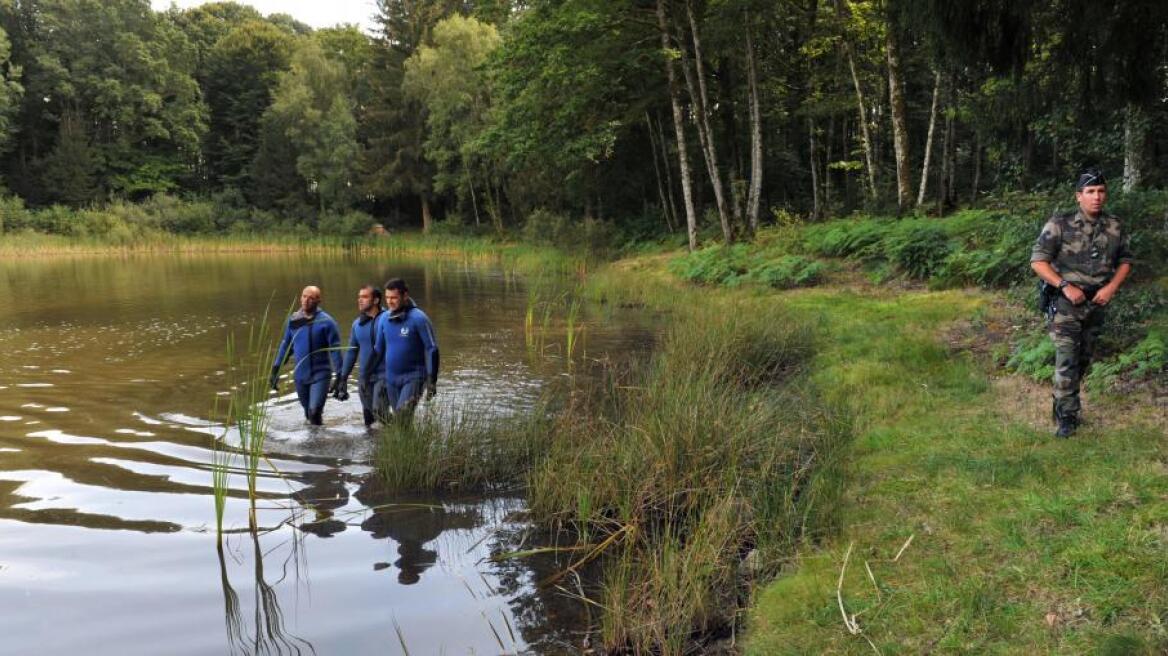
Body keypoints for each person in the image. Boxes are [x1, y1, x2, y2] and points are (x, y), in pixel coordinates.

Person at [1030, 167, 1133, 438]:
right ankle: (1067, 418)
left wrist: (1111, 287)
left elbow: (1125, 261)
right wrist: (1064, 285)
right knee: (1066, 359)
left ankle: (1061, 401)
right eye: (1090, 192)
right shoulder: (1059, 224)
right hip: (1065, 304)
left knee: (1083, 360)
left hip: (1097, 302)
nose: (1096, 197)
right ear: (1079, 196)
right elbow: (1038, 261)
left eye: (1101, 191)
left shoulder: (1114, 225)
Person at [270, 285, 343, 426]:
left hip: (320, 375)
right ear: (300, 297)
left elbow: (335, 349)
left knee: (314, 411)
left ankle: (318, 444)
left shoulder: (327, 322)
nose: (306, 300)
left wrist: (340, 376)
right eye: (304, 296)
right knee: (308, 415)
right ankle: (314, 440)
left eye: (311, 298)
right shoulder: (294, 320)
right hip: (300, 376)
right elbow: (286, 345)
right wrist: (276, 368)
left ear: (318, 301)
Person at [373, 278, 439, 420]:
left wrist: (432, 380)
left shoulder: (419, 318)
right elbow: (378, 350)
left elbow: (431, 349)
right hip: (391, 378)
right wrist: (370, 375)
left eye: (394, 298)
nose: (390, 302)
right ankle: (403, 440)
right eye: (387, 298)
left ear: (405, 296)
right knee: (397, 420)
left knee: (403, 416)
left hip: (414, 377)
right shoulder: (383, 318)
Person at [337, 284, 387, 427]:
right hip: (364, 377)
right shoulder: (356, 325)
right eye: (359, 297)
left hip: (385, 375)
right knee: (368, 418)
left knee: (379, 411)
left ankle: (400, 432)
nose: (360, 300)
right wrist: (343, 378)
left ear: (376, 300)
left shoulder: (388, 319)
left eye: (364, 297)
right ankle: (372, 446)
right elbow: (352, 352)